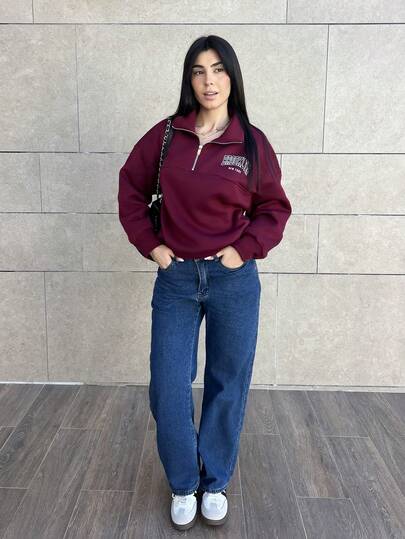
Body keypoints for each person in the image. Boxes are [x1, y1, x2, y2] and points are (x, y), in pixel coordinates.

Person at [118, 34, 292, 531]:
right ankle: (183, 483)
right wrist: (152, 246)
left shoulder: (251, 143)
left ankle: (214, 481)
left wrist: (243, 250)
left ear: (232, 77)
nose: (208, 80)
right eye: (198, 71)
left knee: (227, 380)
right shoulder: (166, 136)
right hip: (176, 279)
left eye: (218, 69)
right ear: (188, 79)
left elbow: (274, 208)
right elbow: (130, 189)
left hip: (232, 280)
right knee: (168, 384)